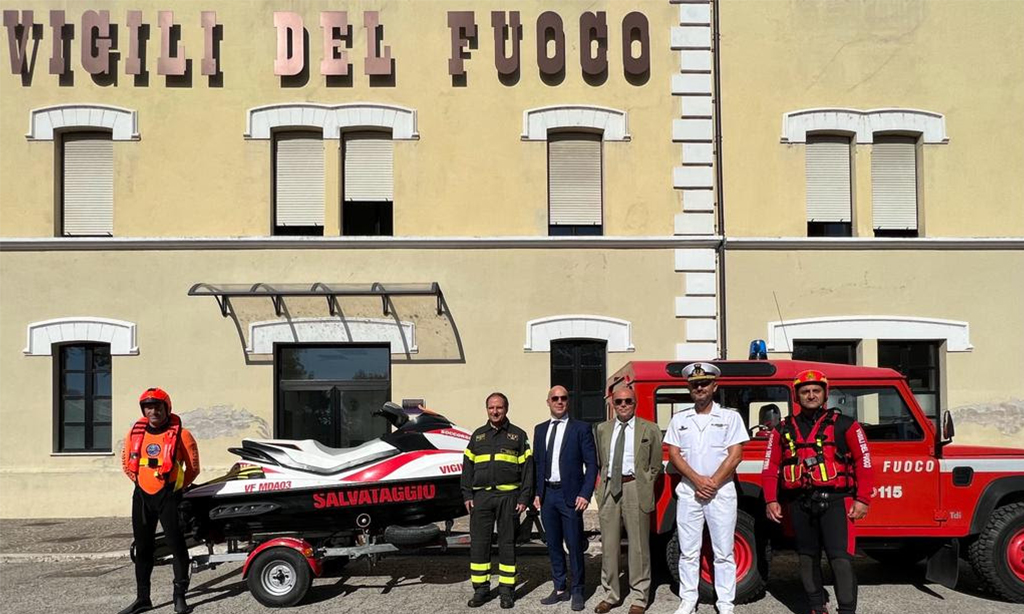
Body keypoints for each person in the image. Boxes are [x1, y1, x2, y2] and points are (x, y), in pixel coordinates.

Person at [761, 370, 874, 614]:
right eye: (805, 391)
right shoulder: (782, 429)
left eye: (816, 391)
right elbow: (770, 466)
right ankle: (815, 606)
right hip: (800, 503)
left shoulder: (846, 425)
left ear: (824, 394)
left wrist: (863, 498)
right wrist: (771, 499)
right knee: (806, 557)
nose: (810, 395)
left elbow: (863, 462)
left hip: (837, 501)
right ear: (797, 396)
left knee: (840, 558)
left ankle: (846, 610)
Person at [664, 363, 749, 614]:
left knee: (723, 550)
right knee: (688, 550)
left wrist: (711, 483)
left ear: (715, 386)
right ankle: (688, 599)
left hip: (721, 493)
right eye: (694, 384)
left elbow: (735, 455)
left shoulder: (730, 417)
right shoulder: (680, 419)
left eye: (704, 383)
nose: (699, 388)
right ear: (689, 388)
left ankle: (725, 603)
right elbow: (674, 455)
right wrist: (698, 481)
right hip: (690, 492)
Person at [119, 387, 201, 614]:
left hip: (169, 497)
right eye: (148, 406)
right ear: (143, 409)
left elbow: (193, 468)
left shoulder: (182, 435)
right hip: (142, 497)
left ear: (167, 408)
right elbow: (126, 463)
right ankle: (142, 598)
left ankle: (179, 596)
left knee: (177, 546)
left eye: (157, 406)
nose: (153, 411)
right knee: (143, 548)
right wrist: (141, 484)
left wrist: (177, 488)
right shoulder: (135, 434)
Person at [461, 392, 535, 609]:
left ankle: (506, 591)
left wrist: (524, 498)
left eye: (499, 407)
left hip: (508, 498)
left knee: (507, 544)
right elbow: (467, 468)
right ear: (487, 410)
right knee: (479, 545)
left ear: (506, 409)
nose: (495, 411)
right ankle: (481, 590)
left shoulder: (518, 436)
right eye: (491, 407)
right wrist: (467, 494)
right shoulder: (477, 436)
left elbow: (528, 470)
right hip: (481, 498)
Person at [593, 387, 663, 614]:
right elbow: (601, 461)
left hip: (635, 486)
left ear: (635, 403)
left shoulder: (649, 428)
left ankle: (640, 597)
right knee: (609, 545)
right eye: (619, 402)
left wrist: (645, 483)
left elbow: (655, 464)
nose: (623, 405)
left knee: (639, 546)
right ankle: (611, 595)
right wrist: (599, 490)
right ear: (612, 404)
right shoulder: (602, 429)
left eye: (628, 401)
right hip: (610, 488)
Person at [533, 386, 599, 611]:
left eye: (563, 398)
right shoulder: (540, 430)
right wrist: (536, 492)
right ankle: (560, 588)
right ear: (548, 402)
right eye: (555, 398)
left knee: (574, 544)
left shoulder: (581, 428)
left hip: (570, 495)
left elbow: (592, 464)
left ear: (568, 401)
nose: (559, 402)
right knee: (553, 545)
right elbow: (538, 463)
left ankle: (578, 590)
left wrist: (585, 493)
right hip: (547, 495)